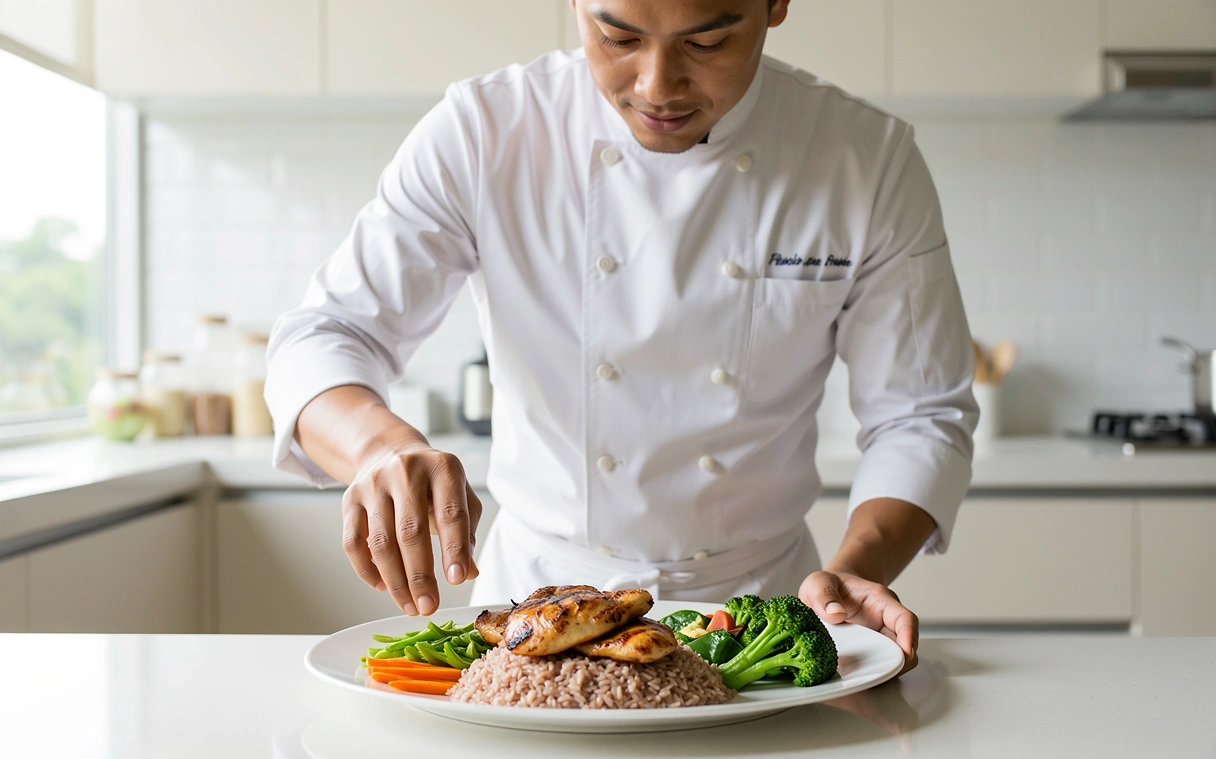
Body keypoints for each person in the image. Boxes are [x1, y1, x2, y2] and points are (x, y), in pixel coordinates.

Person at [265, 0, 977, 675]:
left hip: (764, 607)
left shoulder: (864, 157)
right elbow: (326, 334)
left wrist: (857, 572)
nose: (656, 84)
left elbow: (920, 415)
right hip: (534, 609)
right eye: (619, 37)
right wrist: (378, 447)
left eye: (706, 41)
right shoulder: (486, 130)